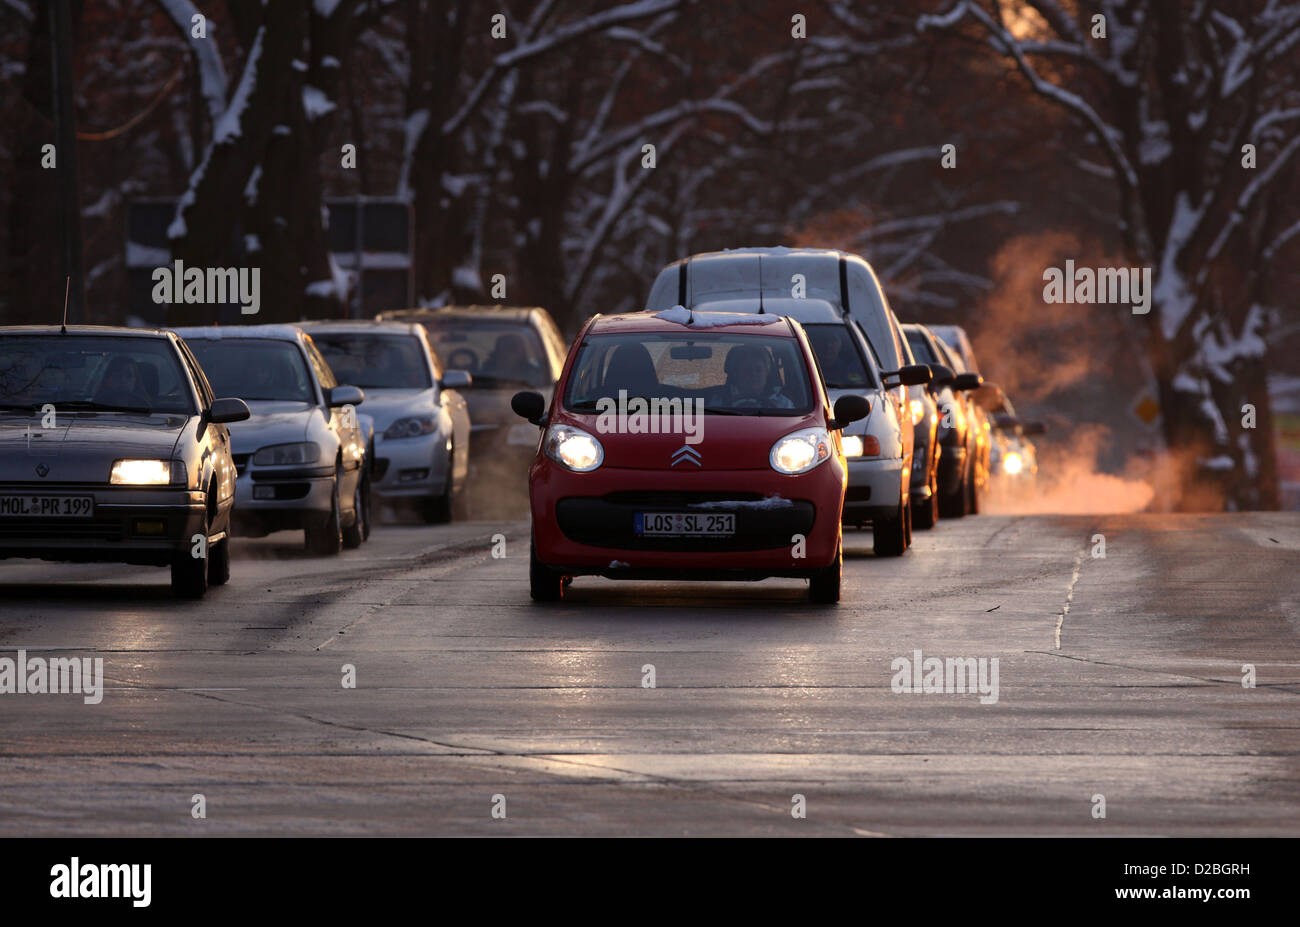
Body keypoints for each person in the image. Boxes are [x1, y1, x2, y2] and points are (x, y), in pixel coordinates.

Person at [718, 344, 793, 408]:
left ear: (767, 373)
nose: (754, 374)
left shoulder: (783, 404)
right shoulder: (714, 399)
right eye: (748, 370)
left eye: (759, 370)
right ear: (736, 373)